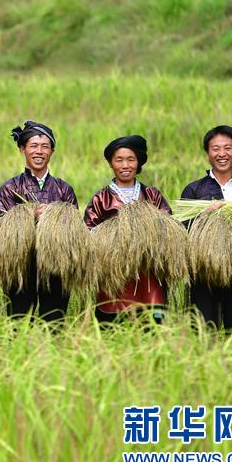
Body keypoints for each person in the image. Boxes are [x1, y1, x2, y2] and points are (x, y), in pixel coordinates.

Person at [181, 125, 232, 329]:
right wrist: (207, 215)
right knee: (204, 333)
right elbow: (182, 231)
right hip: (204, 276)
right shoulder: (194, 190)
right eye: (215, 148)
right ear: (208, 153)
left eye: (228, 148)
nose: (222, 154)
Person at [84, 135, 171, 324]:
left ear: (138, 162)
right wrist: (114, 234)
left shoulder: (152, 195)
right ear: (111, 163)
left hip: (148, 277)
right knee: (113, 327)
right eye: (119, 160)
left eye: (131, 159)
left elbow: (169, 227)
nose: (125, 165)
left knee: (151, 327)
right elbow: (89, 232)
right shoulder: (101, 198)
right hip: (113, 277)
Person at [0, 121, 77, 321]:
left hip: (56, 266)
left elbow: (75, 228)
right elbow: (5, 230)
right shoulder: (10, 189)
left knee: (55, 321)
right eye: (33, 146)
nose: (39, 151)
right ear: (23, 149)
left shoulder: (64, 189)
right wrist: (31, 214)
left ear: (52, 151)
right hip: (20, 268)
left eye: (45, 146)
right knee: (19, 322)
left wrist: (54, 215)